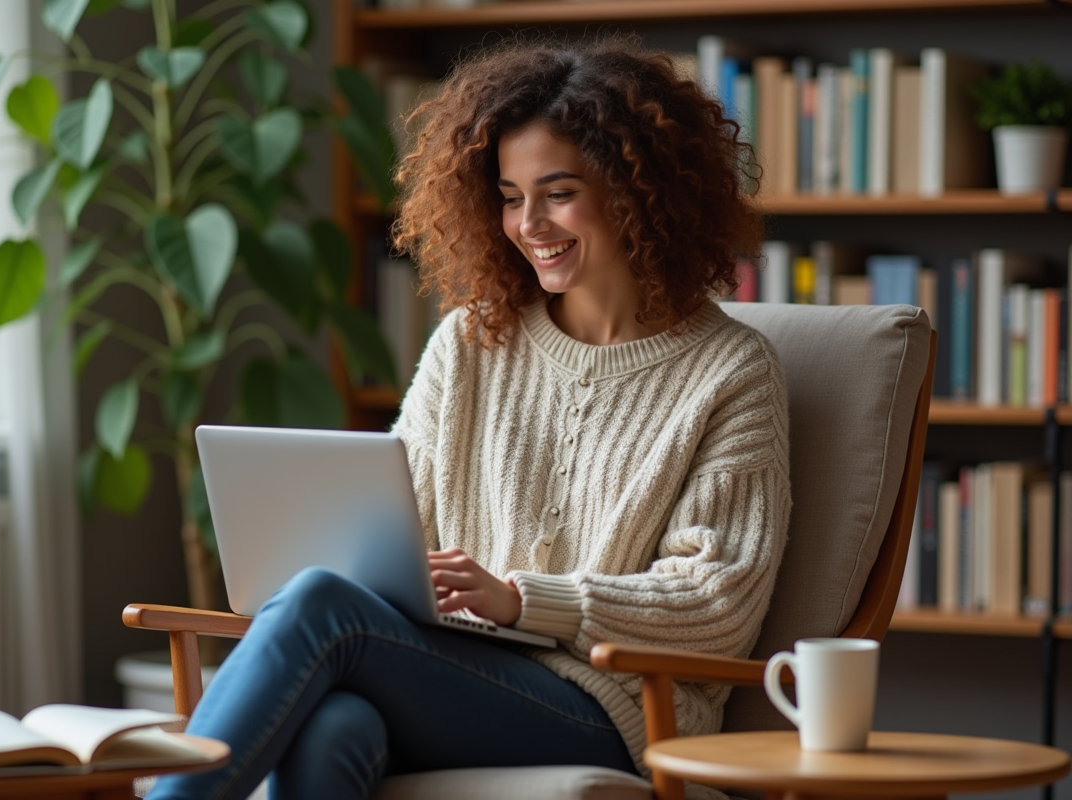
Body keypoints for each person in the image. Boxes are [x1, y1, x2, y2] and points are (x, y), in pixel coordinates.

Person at [146, 34, 790, 800]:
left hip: (615, 708)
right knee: (334, 728)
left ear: (637, 189)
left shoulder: (732, 371)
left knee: (320, 605)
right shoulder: (470, 342)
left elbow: (716, 601)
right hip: (454, 669)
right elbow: (391, 529)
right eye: (511, 198)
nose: (530, 224)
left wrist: (524, 600)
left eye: (558, 193)